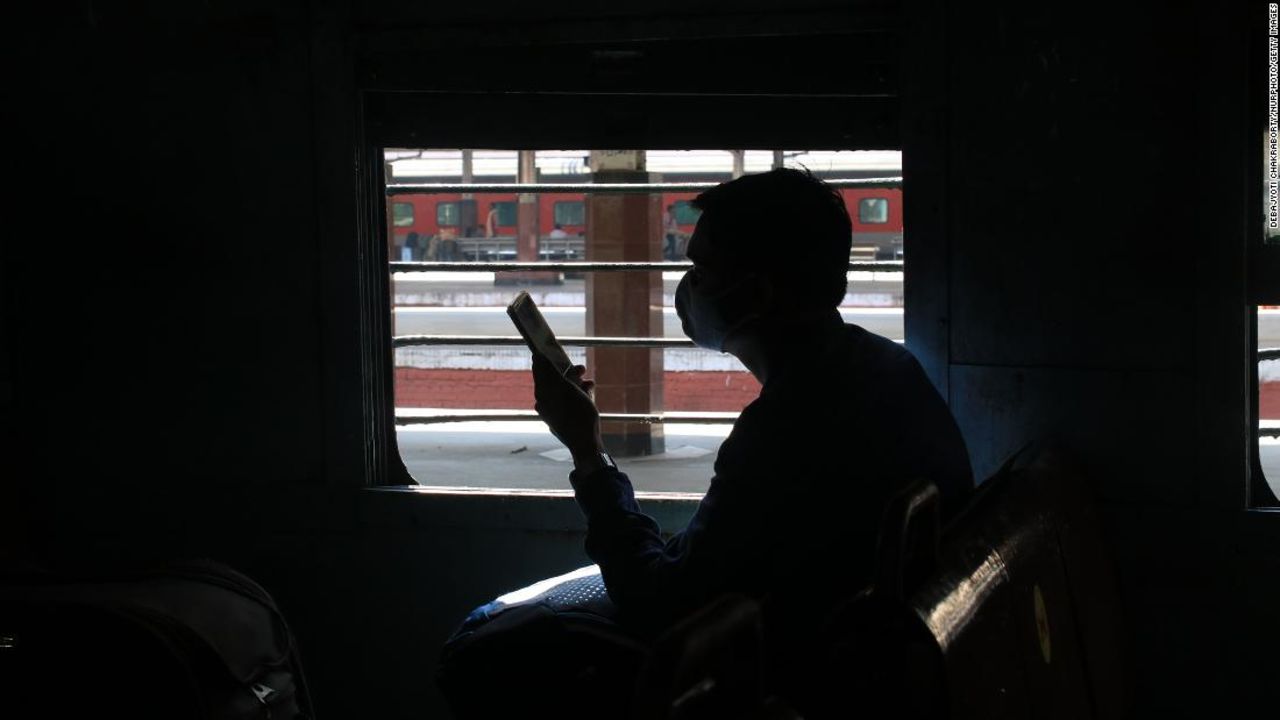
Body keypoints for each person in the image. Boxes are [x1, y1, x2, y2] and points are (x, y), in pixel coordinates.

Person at [531, 168, 973, 700]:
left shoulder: (786, 427)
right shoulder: (888, 368)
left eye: (701, 267)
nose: (688, 285)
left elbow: (660, 606)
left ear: (755, 292)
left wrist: (586, 448)